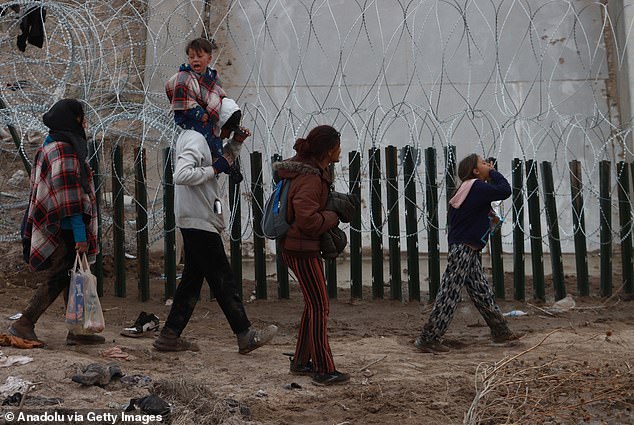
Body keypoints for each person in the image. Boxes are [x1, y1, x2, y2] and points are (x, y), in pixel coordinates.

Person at [153, 99, 278, 353]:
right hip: (198, 217)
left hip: (200, 215)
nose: (224, 135)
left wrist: (236, 144)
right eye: (226, 130)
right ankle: (244, 334)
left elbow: (220, 160)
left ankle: (169, 336)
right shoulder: (196, 139)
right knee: (223, 279)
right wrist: (213, 169)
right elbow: (181, 175)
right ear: (215, 122)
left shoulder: (202, 138)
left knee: (191, 281)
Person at [9, 98, 102, 346]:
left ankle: (78, 331)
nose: (85, 122)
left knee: (70, 276)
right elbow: (69, 199)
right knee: (60, 276)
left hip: (54, 222)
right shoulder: (64, 150)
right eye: (82, 117)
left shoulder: (50, 145)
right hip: (65, 228)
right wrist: (80, 235)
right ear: (73, 121)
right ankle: (24, 322)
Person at [273, 125, 358, 386]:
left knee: (313, 305)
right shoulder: (310, 178)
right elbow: (307, 219)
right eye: (338, 145)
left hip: (300, 247)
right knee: (320, 306)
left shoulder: (313, 172)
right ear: (329, 150)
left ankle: (301, 362)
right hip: (302, 249)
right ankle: (323, 369)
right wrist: (332, 216)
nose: (340, 149)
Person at [414, 154, 523, 354]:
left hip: (466, 248)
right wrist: (493, 172)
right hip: (464, 249)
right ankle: (428, 338)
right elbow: (505, 190)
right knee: (450, 293)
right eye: (483, 163)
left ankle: (500, 331)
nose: (487, 165)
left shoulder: (467, 188)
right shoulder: (476, 186)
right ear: (474, 171)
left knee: (482, 293)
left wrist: (487, 173)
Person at [165, 37, 231, 170]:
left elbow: (218, 97)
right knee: (208, 132)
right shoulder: (184, 77)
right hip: (188, 117)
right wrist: (200, 114)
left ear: (209, 59)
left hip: (208, 117)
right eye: (191, 57)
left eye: (199, 56)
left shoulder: (213, 78)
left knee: (216, 133)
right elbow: (183, 102)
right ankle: (216, 160)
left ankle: (218, 159)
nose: (195, 59)